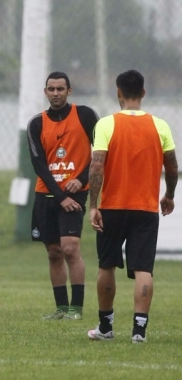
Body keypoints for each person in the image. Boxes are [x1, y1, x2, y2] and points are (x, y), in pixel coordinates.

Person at [87, 69, 178, 343]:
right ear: (143, 93)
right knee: (143, 269)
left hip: (112, 206)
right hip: (145, 209)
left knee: (106, 266)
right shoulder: (160, 125)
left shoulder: (105, 124)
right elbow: (172, 166)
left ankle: (106, 327)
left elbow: (97, 165)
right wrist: (169, 194)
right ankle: (139, 331)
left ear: (118, 92)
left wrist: (94, 205)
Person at [27, 71, 99, 320]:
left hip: (76, 194)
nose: (55, 93)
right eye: (51, 89)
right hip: (48, 196)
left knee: (70, 248)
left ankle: (76, 309)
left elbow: (101, 155)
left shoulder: (86, 115)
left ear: (69, 91)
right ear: (45, 92)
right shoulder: (36, 123)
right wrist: (60, 195)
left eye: (60, 89)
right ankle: (60, 307)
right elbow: (39, 165)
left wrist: (80, 179)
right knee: (54, 252)